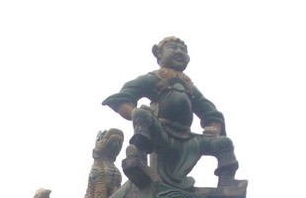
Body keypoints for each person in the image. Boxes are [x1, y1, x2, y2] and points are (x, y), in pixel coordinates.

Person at [102, 37, 238, 187]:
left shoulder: (189, 87)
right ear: (158, 54)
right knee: (141, 114)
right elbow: (123, 98)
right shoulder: (153, 78)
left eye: (183, 50)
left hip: (188, 139)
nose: (179, 52)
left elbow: (210, 112)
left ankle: (227, 180)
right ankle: (139, 157)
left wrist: (214, 127)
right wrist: (133, 112)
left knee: (223, 142)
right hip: (160, 131)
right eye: (173, 48)